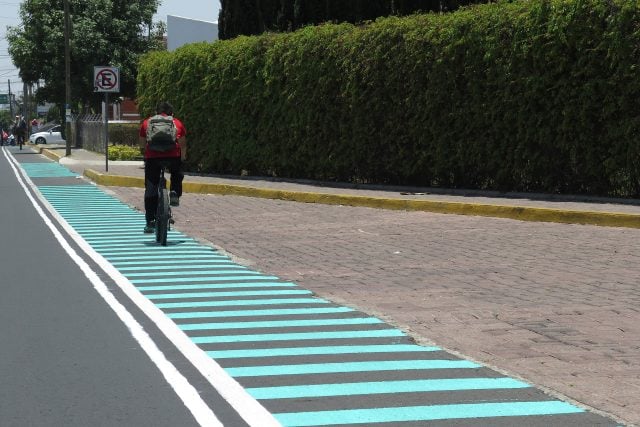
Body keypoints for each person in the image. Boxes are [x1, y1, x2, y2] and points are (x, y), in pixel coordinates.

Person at [139, 101, 187, 233]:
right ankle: (175, 193)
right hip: (172, 157)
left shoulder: (147, 122)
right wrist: (182, 159)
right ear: (172, 113)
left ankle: (150, 222)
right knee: (177, 173)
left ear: (156, 112)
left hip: (153, 158)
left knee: (151, 188)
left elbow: (142, 144)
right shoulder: (177, 123)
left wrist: (145, 155)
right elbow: (182, 145)